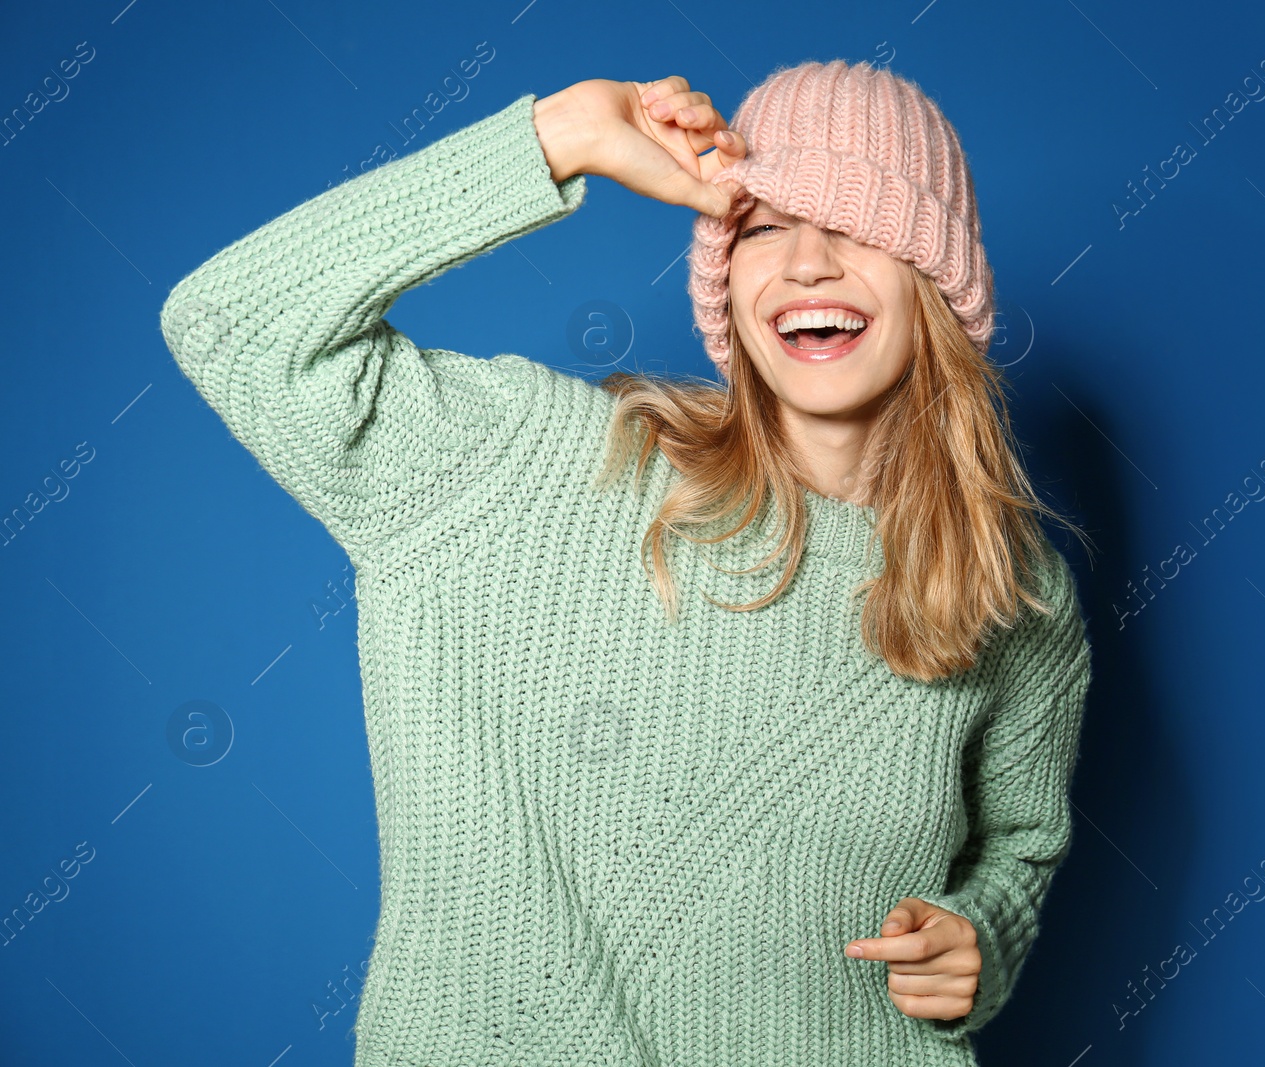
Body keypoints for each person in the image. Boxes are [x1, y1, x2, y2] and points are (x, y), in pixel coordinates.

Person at [160, 57, 1093, 1067]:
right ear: (727, 281)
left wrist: (979, 938)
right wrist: (552, 139)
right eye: (765, 224)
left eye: (859, 226)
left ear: (936, 284)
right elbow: (232, 329)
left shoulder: (1016, 589)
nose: (809, 262)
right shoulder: (536, 465)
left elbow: (1019, 842)